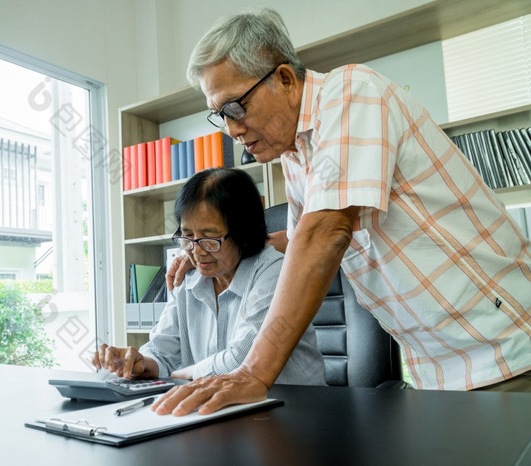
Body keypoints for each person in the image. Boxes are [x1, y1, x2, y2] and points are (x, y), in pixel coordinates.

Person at [154, 8, 531, 416]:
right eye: (220, 114)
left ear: (283, 78)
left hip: (504, 350)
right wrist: (211, 250)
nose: (231, 129)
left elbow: (326, 232)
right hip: (436, 373)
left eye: (236, 107)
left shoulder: (351, 93)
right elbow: (298, 242)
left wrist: (253, 373)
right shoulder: (296, 154)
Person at [93, 168, 325, 386]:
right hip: (223, 409)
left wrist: (185, 374)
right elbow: (162, 351)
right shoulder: (189, 279)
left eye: (209, 238)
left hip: (292, 406)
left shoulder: (273, 271)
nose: (197, 250)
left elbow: (242, 360)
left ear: (243, 232)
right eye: (188, 236)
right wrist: (140, 362)